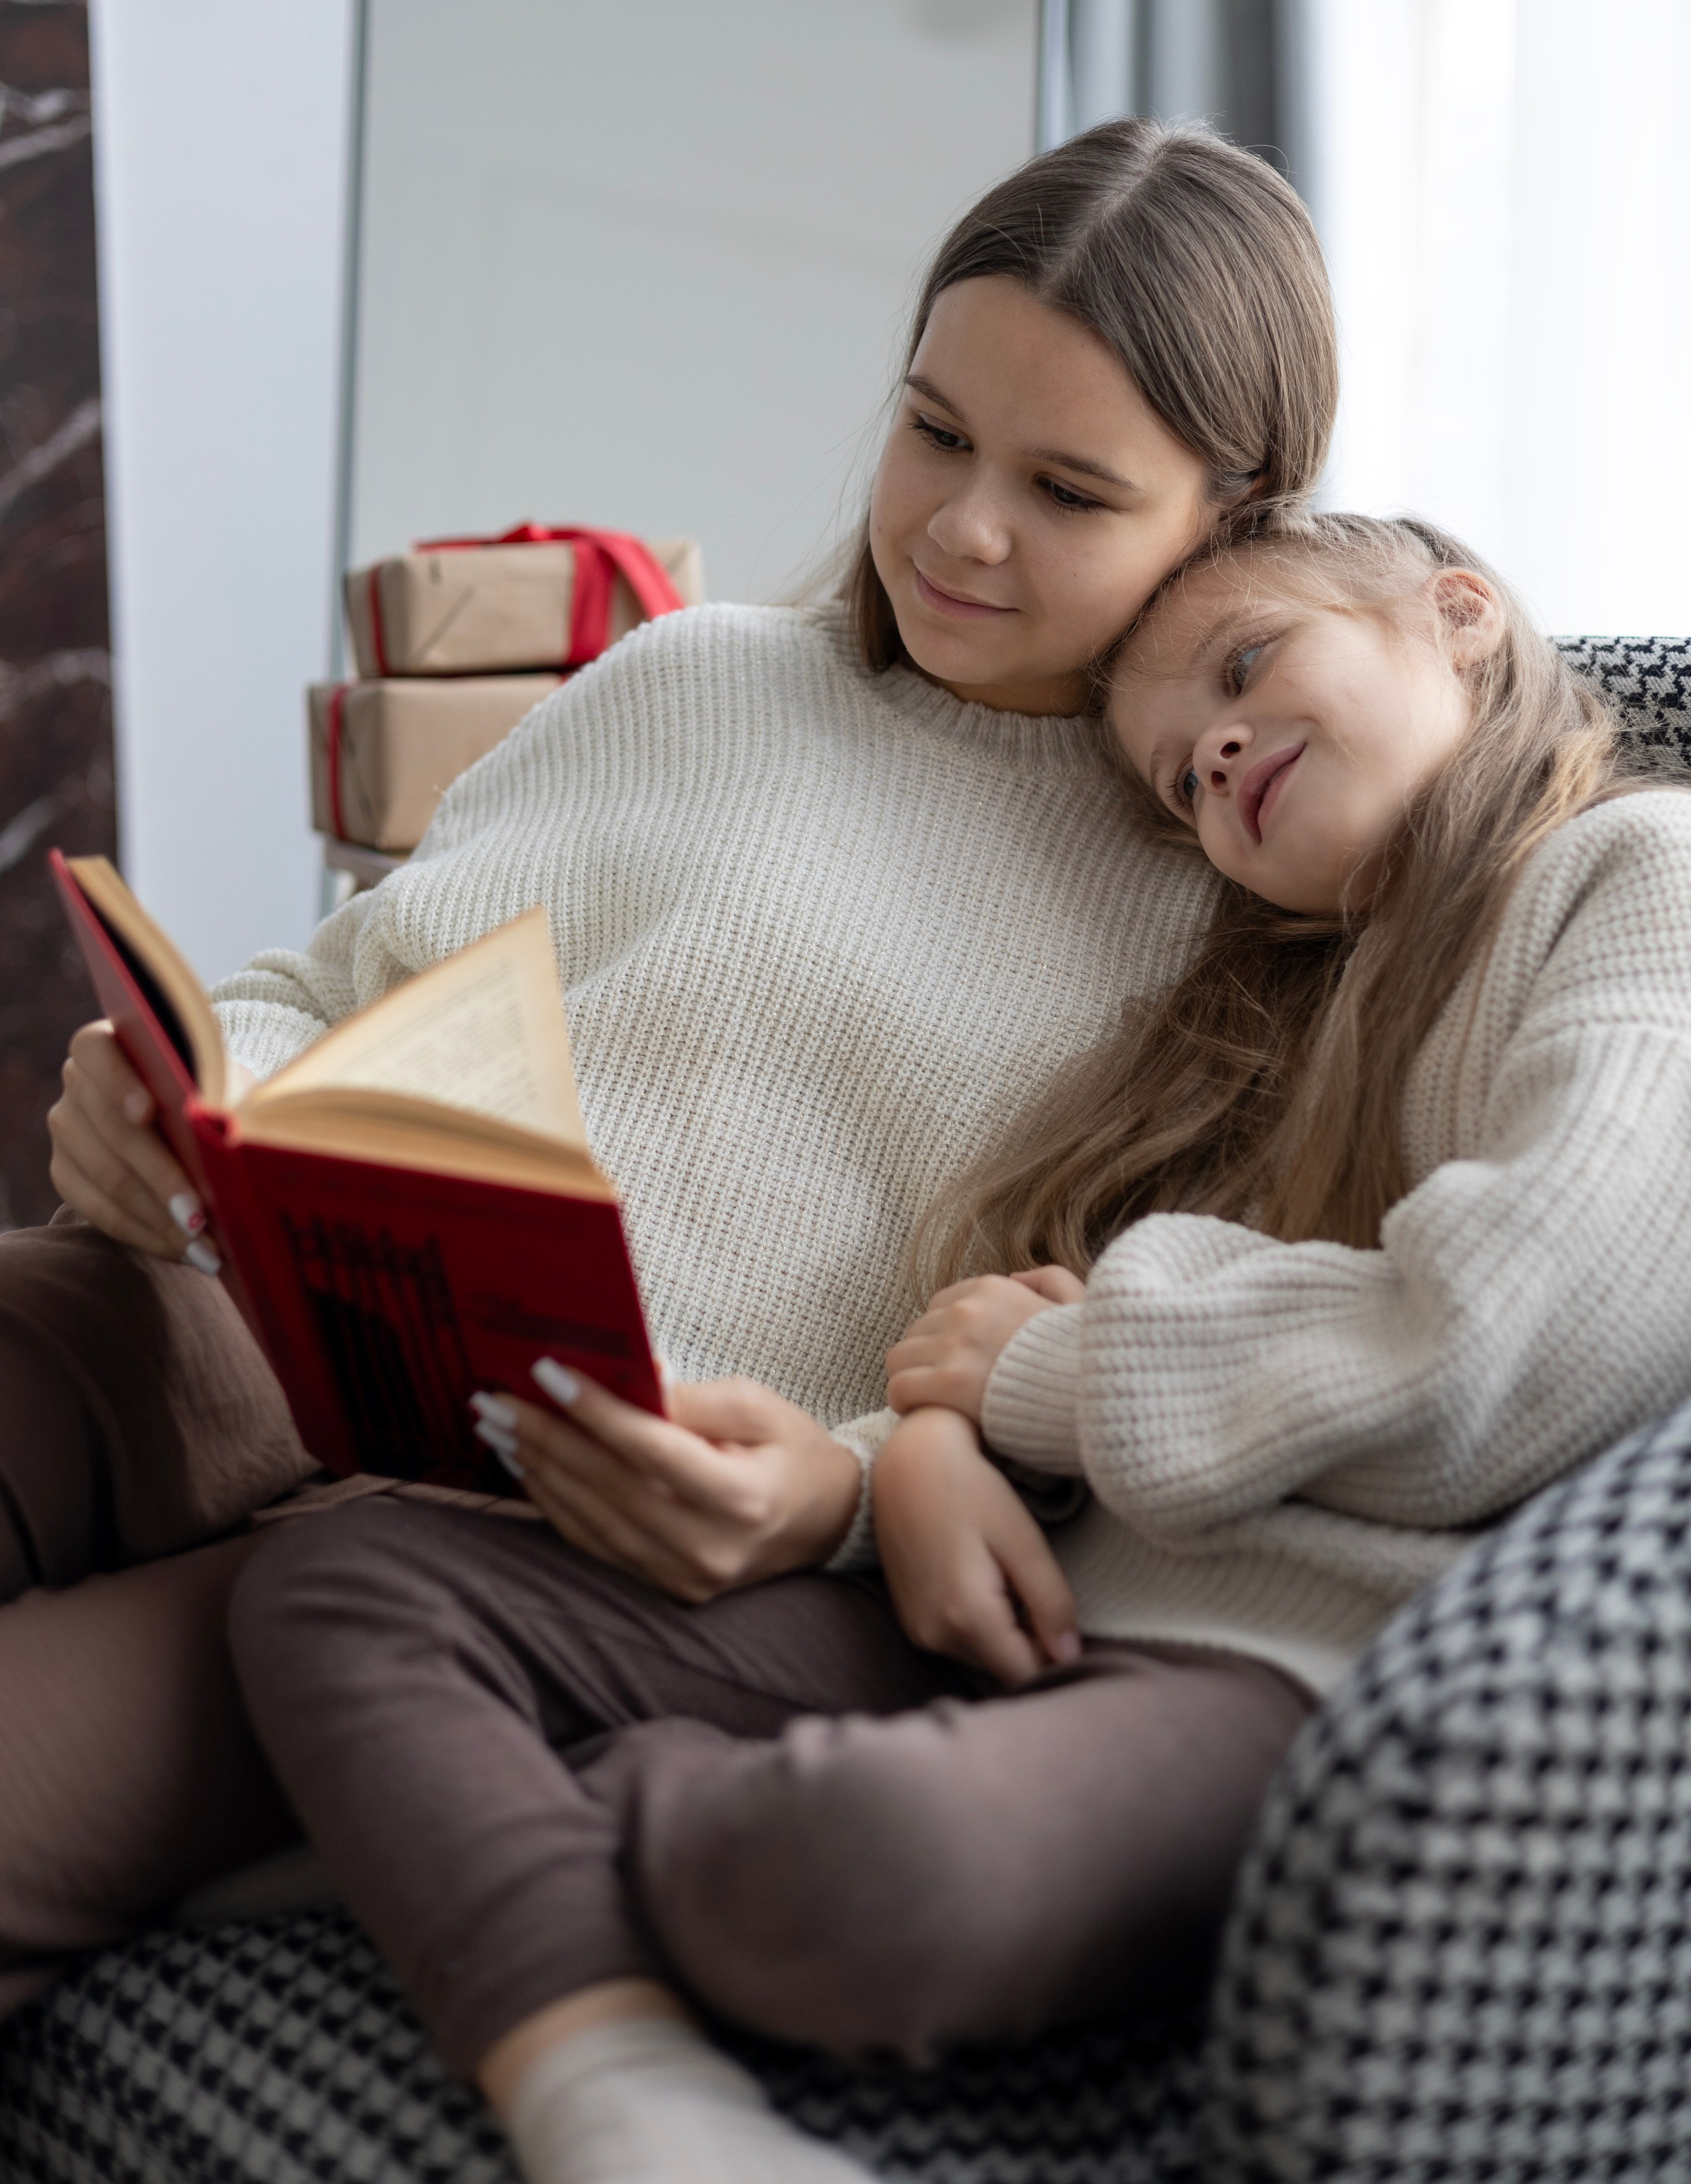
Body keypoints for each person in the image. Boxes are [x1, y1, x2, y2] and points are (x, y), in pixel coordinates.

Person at [0, 119, 1338, 2040]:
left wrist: (845, 1500)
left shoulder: (1235, 911)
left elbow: (1132, 1406)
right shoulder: (696, 675)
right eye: (933, 431)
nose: (964, 525)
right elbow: (331, 983)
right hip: (281, 1335)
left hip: (569, 1531)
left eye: (1067, 489)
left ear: (1236, 518)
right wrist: (181, 1098)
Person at [231, 511, 1691, 2184]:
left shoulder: (1635, 876)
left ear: (1459, 620)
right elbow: (1003, 1328)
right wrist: (931, 1439)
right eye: (1173, 787)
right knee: (350, 1581)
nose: (1213, 763)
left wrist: (1057, 1377)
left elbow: (1508, 1341)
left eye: (1242, 668)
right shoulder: (1296, 994)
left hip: (1285, 1658)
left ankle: (456, 1829)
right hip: (1036, 1591)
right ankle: (471, 1834)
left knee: (843, 1874)